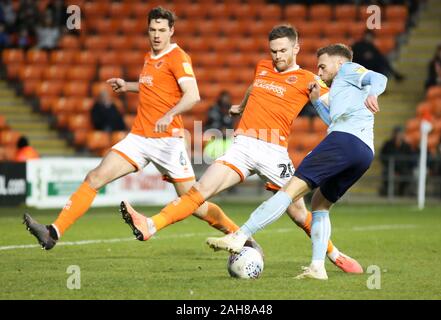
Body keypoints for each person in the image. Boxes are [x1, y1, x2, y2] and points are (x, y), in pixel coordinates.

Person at [120, 25, 364, 274]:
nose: (277, 56)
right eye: (273, 51)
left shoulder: (308, 79)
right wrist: (242, 105)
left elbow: (333, 104)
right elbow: (255, 85)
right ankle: (150, 225)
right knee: (200, 190)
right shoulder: (263, 66)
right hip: (243, 145)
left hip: (274, 152)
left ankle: (334, 254)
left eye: (282, 50)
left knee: (300, 214)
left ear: (296, 49)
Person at [23, 7, 251, 251]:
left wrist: (169, 114)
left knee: (194, 203)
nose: (156, 35)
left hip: (168, 142)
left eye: (162, 30)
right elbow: (153, 86)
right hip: (139, 138)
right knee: (95, 177)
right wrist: (129, 86)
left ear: (171, 31)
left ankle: (239, 235)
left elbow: (193, 96)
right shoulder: (149, 57)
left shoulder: (178, 57)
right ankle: (52, 232)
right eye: (152, 29)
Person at [206, 44, 388, 280]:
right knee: (320, 204)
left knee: (288, 191)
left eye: (322, 66)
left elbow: (380, 78)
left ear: (339, 63)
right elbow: (333, 121)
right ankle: (317, 267)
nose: (319, 73)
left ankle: (240, 235)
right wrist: (316, 102)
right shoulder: (345, 90)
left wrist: (373, 92)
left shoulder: (348, 70)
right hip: (363, 152)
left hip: (343, 142)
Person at [379, 126, 415, 196]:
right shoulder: (388, 144)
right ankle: (387, 192)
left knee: (408, 174)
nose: (398, 136)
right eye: (397, 134)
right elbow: (382, 156)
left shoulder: (406, 146)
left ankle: (401, 192)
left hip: (403, 168)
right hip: (390, 167)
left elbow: (410, 158)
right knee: (386, 173)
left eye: (400, 134)